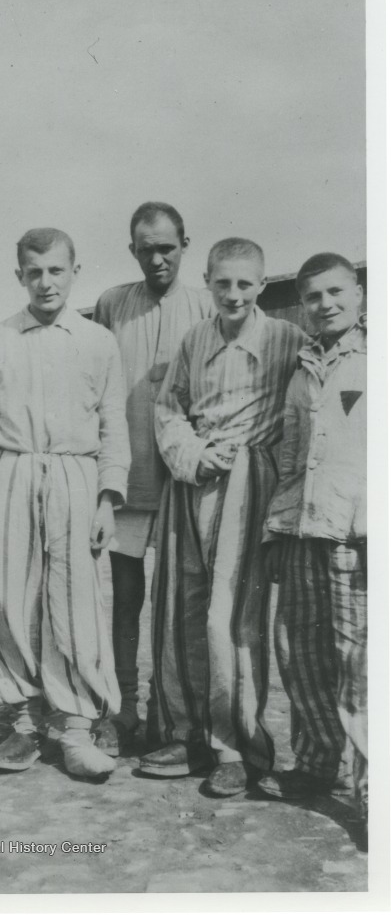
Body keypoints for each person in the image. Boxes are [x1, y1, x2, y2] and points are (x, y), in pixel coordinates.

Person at [0, 228, 130, 779]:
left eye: (57, 270)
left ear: (75, 271)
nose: (46, 282)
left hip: (77, 477)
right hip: (11, 471)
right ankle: (26, 722)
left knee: (75, 600)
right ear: (20, 276)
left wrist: (108, 498)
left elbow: (112, 422)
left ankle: (76, 726)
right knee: (6, 595)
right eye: (35, 272)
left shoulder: (98, 340)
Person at [142, 237, 306, 793]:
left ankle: (236, 747)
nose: (233, 294)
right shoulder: (194, 338)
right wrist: (192, 455)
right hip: (192, 483)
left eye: (245, 284)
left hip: (250, 484)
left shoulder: (288, 340)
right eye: (222, 283)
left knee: (229, 618)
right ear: (208, 282)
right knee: (179, 609)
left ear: (261, 285)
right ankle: (183, 733)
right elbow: (168, 408)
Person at [92, 202, 211, 753]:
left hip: (185, 486)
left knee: (182, 604)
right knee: (124, 600)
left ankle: (177, 719)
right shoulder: (113, 304)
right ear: (132, 248)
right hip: (128, 480)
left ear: (185, 243)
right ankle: (122, 712)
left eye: (167, 246)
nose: (157, 257)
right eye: (146, 247)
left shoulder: (208, 307)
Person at [257, 254, 367, 837]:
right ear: (302, 305)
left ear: (359, 294)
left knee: (362, 669)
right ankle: (319, 764)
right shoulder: (302, 369)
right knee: (302, 656)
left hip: (356, 538)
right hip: (302, 531)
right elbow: (291, 457)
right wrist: (276, 527)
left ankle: (375, 796)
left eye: (336, 292)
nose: (326, 304)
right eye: (314, 297)